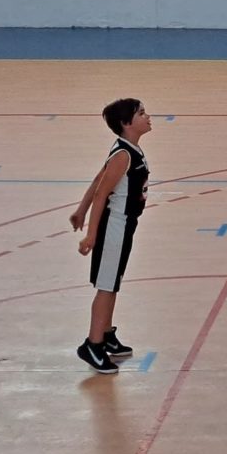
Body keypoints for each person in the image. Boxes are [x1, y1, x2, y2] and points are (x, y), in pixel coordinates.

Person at [69, 98, 152, 374]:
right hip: (114, 227)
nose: (148, 117)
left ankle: (105, 334)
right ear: (127, 123)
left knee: (112, 283)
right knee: (106, 286)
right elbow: (103, 193)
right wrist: (91, 235)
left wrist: (80, 210)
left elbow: (98, 179)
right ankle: (92, 345)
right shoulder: (123, 155)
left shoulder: (128, 149)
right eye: (141, 113)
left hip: (124, 226)